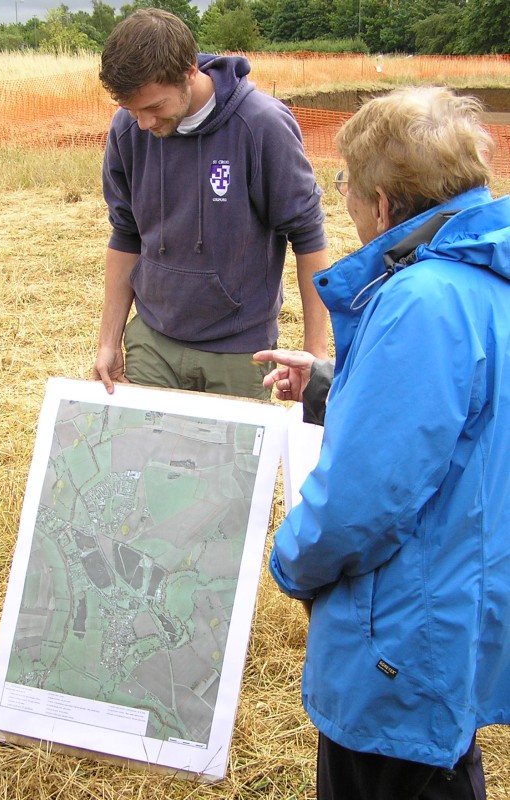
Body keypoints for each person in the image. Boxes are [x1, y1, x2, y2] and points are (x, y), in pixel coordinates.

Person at [254, 86, 510, 799]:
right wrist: (331, 383)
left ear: (385, 204)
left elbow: (362, 502)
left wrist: (289, 558)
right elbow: (461, 413)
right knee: (442, 759)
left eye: (348, 188)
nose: (348, 204)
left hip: (398, 628)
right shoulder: (486, 279)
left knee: (397, 771)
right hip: (459, 605)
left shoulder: (418, 301)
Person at [92, 8, 329, 400]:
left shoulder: (262, 125)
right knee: (146, 459)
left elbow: (308, 237)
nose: (144, 123)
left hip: (238, 349)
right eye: (132, 109)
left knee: (231, 463)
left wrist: (315, 351)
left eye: (154, 107)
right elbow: (126, 234)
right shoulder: (127, 128)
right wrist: (108, 340)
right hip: (153, 341)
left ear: (189, 70)